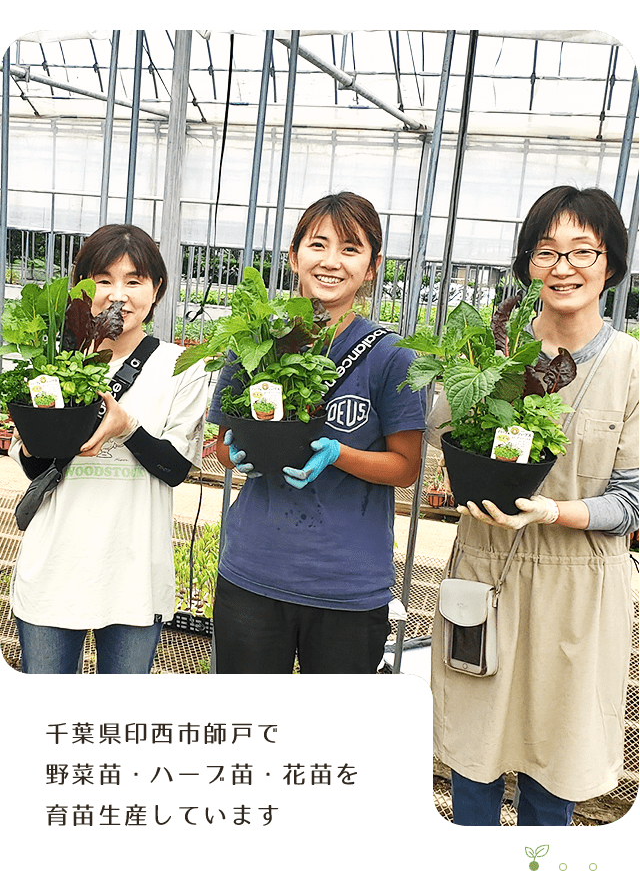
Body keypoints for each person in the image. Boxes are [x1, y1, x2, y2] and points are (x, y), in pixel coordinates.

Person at [427, 186, 638, 826]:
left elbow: (630, 501)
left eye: (582, 251)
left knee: (557, 760)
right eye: (546, 252)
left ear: (610, 264)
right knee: (472, 754)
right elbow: (442, 433)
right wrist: (473, 367)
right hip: (483, 573)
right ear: (527, 265)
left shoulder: (630, 365)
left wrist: (554, 512)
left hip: (579, 583)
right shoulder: (493, 353)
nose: (563, 267)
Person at [207, 191, 426, 673]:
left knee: (332, 741)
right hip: (252, 573)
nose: (331, 262)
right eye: (318, 245)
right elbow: (219, 445)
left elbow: (406, 468)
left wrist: (339, 454)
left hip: (346, 586)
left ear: (372, 266)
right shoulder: (255, 341)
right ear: (294, 256)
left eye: (350, 249)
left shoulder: (391, 357)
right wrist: (234, 454)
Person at [10, 224, 208, 674]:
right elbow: (32, 464)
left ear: (156, 290)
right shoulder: (53, 361)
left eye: (134, 281)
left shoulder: (180, 367)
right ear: (84, 288)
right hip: (54, 570)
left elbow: (176, 468)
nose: (118, 295)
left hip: (134, 577)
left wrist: (126, 427)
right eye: (103, 280)